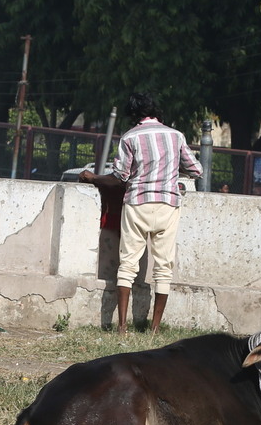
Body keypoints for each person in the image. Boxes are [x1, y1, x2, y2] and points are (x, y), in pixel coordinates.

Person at [79, 91, 202, 333]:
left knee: (127, 264)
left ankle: (123, 326)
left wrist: (93, 177)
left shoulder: (129, 137)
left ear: (134, 115)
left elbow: (120, 177)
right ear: (157, 111)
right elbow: (196, 170)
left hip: (137, 202)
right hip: (168, 203)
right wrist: (172, 177)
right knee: (163, 267)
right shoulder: (176, 136)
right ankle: (155, 327)